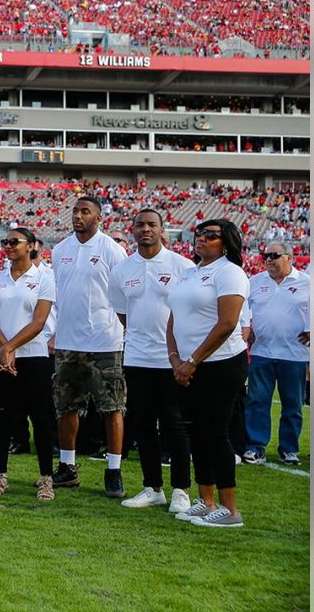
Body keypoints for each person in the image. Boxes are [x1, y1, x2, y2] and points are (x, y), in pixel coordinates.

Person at [109, 210, 195, 512]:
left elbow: (190, 311)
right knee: (143, 424)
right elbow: (123, 315)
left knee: (174, 424)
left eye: (152, 225)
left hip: (173, 358)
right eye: (140, 225)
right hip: (136, 356)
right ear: (132, 230)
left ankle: (181, 489)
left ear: (161, 230)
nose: (145, 229)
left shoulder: (183, 267)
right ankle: (152, 487)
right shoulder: (121, 270)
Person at [166, 219, 250, 528]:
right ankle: (206, 500)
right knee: (197, 434)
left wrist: (193, 361)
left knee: (215, 433)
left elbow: (227, 324)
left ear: (226, 242)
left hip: (220, 363)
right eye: (199, 233)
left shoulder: (230, 273)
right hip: (187, 364)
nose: (201, 238)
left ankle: (230, 510)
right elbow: (173, 319)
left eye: (211, 235)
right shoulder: (190, 272)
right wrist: (175, 358)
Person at [50, 196, 129, 498]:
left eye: (86, 212)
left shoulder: (112, 250)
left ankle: (113, 470)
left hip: (105, 341)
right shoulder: (60, 250)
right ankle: (67, 467)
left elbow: (122, 295)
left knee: (112, 407)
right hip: (69, 341)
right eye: (75, 211)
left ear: (99, 218)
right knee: (66, 406)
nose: (78, 216)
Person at [0, 228, 58, 500]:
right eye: (6, 241)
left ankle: (46, 478)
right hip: (0, 357)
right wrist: (5, 349)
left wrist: (9, 347)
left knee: (40, 418)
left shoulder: (44, 278)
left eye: (15, 241)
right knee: (1, 417)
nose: (9, 246)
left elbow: (39, 322)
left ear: (32, 246)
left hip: (33, 356)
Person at [244, 242, 310, 466]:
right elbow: (242, 310)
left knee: (293, 405)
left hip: (295, 354)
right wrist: (247, 328)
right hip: (262, 351)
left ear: (289, 258)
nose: (269, 260)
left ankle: (289, 449)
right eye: (266, 256)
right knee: (257, 401)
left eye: (274, 255)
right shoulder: (255, 282)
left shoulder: (308, 283)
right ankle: (256, 447)